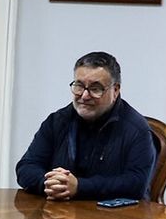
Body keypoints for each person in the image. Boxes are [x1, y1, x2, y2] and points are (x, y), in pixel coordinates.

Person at [15, 51, 155, 202]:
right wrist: (50, 184)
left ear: (115, 90)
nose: (84, 96)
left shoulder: (136, 130)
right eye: (79, 86)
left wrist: (80, 187)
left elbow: (136, 184)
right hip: (60, 217)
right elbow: (26, 167)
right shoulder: (57, 121)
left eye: (95, 89)